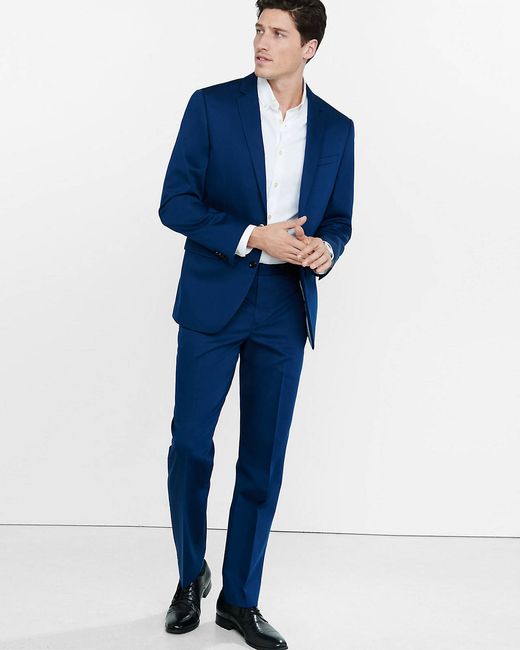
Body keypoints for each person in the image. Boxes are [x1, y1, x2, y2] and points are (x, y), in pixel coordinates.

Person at [157, 1, 354, 647]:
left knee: (262, 460)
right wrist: (252, 235)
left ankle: (240, 599)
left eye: (278, 33)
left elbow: (339, 219)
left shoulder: (337, 129)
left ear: (310, 47)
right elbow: (175, 203)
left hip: (283, 305)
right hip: (214, 297)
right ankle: (191, 574)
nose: (262, 43)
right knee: (191, 445)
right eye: (259, 30)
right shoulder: (212, 106)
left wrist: (326, 248)